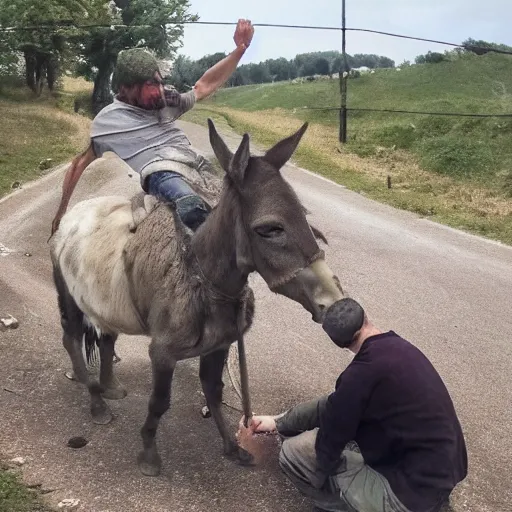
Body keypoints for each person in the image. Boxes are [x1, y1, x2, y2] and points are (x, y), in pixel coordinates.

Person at [241, 298, 467, 512]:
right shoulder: (399, 347)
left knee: (294, 452)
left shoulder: (359, 376)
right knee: (351, 429)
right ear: (366, 317)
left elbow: (328, 446)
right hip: (445, 472)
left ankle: (337, 506)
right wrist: (277, 423)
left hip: (408, 497)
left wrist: (320, 475)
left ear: (339, 344)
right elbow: (331, 406)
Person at [50, 19, 254, 236]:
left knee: (245, 199)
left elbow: (203, 86)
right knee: (192, 206)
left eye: (158, 81)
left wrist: (240, 50)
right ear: (126, 89)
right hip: (161, 173)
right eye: (150, 85)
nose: (159, 90)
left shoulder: (167, 100)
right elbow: (78, 164)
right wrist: (61, 212)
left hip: (193, 163)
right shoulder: (107, 122)